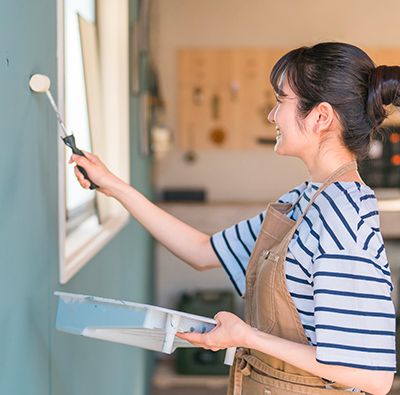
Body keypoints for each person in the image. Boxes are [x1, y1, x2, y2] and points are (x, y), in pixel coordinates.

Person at [70, 42, 398, 394]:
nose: (272, 116)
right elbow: (202, 251)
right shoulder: (303, 200)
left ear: (319, 117)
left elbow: (371, 376)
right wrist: (115, 186)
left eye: (280, 100)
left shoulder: (343, 218)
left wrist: (247, 337)